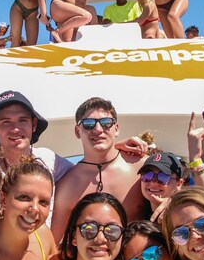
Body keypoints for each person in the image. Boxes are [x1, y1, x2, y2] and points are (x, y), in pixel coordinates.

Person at [51, 97, 149, 241]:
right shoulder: (67, 186)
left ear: (116, 129)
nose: (98, 130)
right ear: (77, 131)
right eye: (88, 124)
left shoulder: (142, 167)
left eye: (106, 123)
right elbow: (54, 244)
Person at [137, 151, 184, 217]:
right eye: (147, 175)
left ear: (179, 183)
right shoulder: (136, 215)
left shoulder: (184, 215)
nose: (153, 182)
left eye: (163, 177)